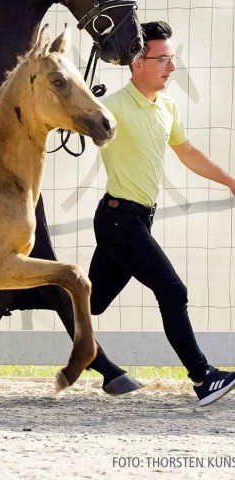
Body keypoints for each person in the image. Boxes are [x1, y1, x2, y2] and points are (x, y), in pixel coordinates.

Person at [91, 20, 235, 406]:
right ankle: (203, 378)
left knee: (90, 304)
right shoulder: (112, 108)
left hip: (138, 220)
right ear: (138, 62)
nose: (171, 68)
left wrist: (231, 182)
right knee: (172, 290)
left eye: (173, 60)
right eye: (164, 60)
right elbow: (69, 123)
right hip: (118, 219)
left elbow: (188, 154)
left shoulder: (167, 107)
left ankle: (15, 295)